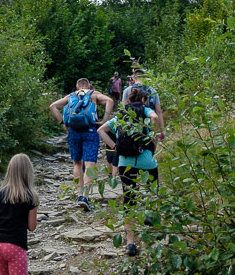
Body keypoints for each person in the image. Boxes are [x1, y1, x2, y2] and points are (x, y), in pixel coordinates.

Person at [98, 86, 164, 256]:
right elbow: (155, 116)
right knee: (153, 189)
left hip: (125, 161)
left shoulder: (121, 114)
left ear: (127, 100)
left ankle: (130, 243)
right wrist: (156, 135)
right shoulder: (145, 109)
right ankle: (149, 214)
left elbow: (101, 130)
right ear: (143, 100)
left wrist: (114, 147)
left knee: (129, 199)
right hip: (146, 159)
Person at [49, 78, 115, 211]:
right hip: (90, 130)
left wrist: (63, 123)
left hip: (73, 131)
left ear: (77, 86)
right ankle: (85, 196)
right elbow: (110, 100)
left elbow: (53, 106)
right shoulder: (94, 94)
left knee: (77, 163)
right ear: (89, 86)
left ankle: (79, 195)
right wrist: (104, 120)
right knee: (89, 163)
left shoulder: (71, 96)